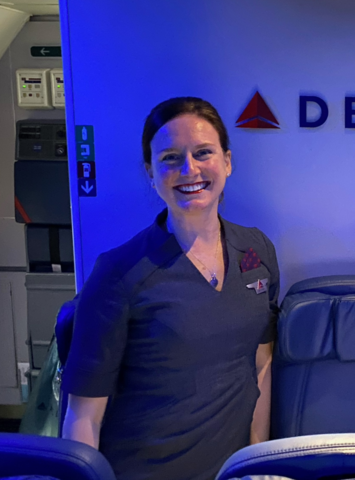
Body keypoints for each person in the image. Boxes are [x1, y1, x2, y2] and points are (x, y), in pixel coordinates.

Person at [61, 97, 278, 480]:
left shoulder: (256, 251)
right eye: (170, 158)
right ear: (150, 171)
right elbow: (83, 417)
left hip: (230, 472)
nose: (189, 169)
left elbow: (261, 365)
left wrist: (254, 462)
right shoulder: (118, 273)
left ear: (227, 161)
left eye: (203, 153)